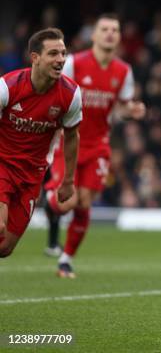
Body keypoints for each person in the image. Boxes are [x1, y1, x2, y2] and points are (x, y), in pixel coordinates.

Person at [43, 14, 146, 278]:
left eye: (115, 29)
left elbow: (120, 111)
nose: (110, 33)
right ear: (94, 35)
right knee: (68, 201)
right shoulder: (74, 64)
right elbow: (55, 97)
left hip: (98, 145)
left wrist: (131, 111)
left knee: (85, 203)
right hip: (69, 142)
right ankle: (51, 211)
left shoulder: (124, 71)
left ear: (119, 36)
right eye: (105, 29)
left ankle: (66, 259)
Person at [0, 28, 82, 258]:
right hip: (2, 165)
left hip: (32, 175)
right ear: (35, 58)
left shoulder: (70, 94)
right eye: (53, 54)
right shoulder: (7, 87)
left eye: (63, 53)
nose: (61, 60)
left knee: (4, 248)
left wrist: (67, 181)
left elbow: (72, 136)